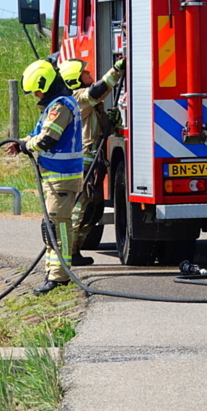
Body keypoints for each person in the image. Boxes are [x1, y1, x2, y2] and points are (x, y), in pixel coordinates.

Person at [6, 59, 84, 295]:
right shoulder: (56, 105)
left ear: (46, 84)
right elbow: (38, 133)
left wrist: (26, 146)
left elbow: (47, 139)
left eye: (37, 91)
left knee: (58, 227)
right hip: (55, 177)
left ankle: (59, 278)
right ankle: (53, 271)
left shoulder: (60, 107)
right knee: (50, 226)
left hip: (62, 177)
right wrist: (21, 143)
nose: (36, 95)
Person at [58, 57, 126, 266]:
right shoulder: (78, 98)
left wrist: (111, 122)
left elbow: (99, 128)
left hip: (94, 164)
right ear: (75, 80)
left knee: (93, 210)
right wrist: (116, 70)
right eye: (85, 73)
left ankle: (75, 251)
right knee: (81, 208)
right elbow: (97, 91)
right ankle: (68, 253)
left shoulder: (91, 106)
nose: (90, 76)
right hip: (83, 166)